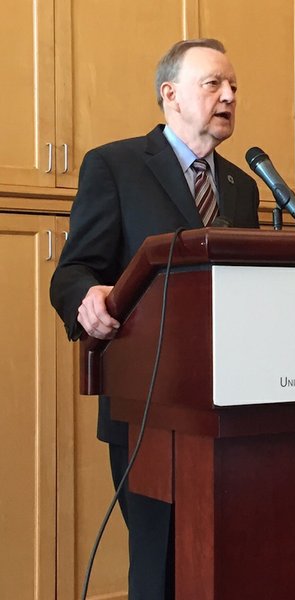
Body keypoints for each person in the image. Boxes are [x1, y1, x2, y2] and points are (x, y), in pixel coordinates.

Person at [49, 39, 259, 599]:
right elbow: (72, 271)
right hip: (146, 402)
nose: (230, 96)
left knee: (227, 554)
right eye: (214, 83)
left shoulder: (242, 186)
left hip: (227, 404)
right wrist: (85, 299)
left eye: (233, 85)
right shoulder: (114, 165)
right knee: (162, 558)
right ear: (170, 94)